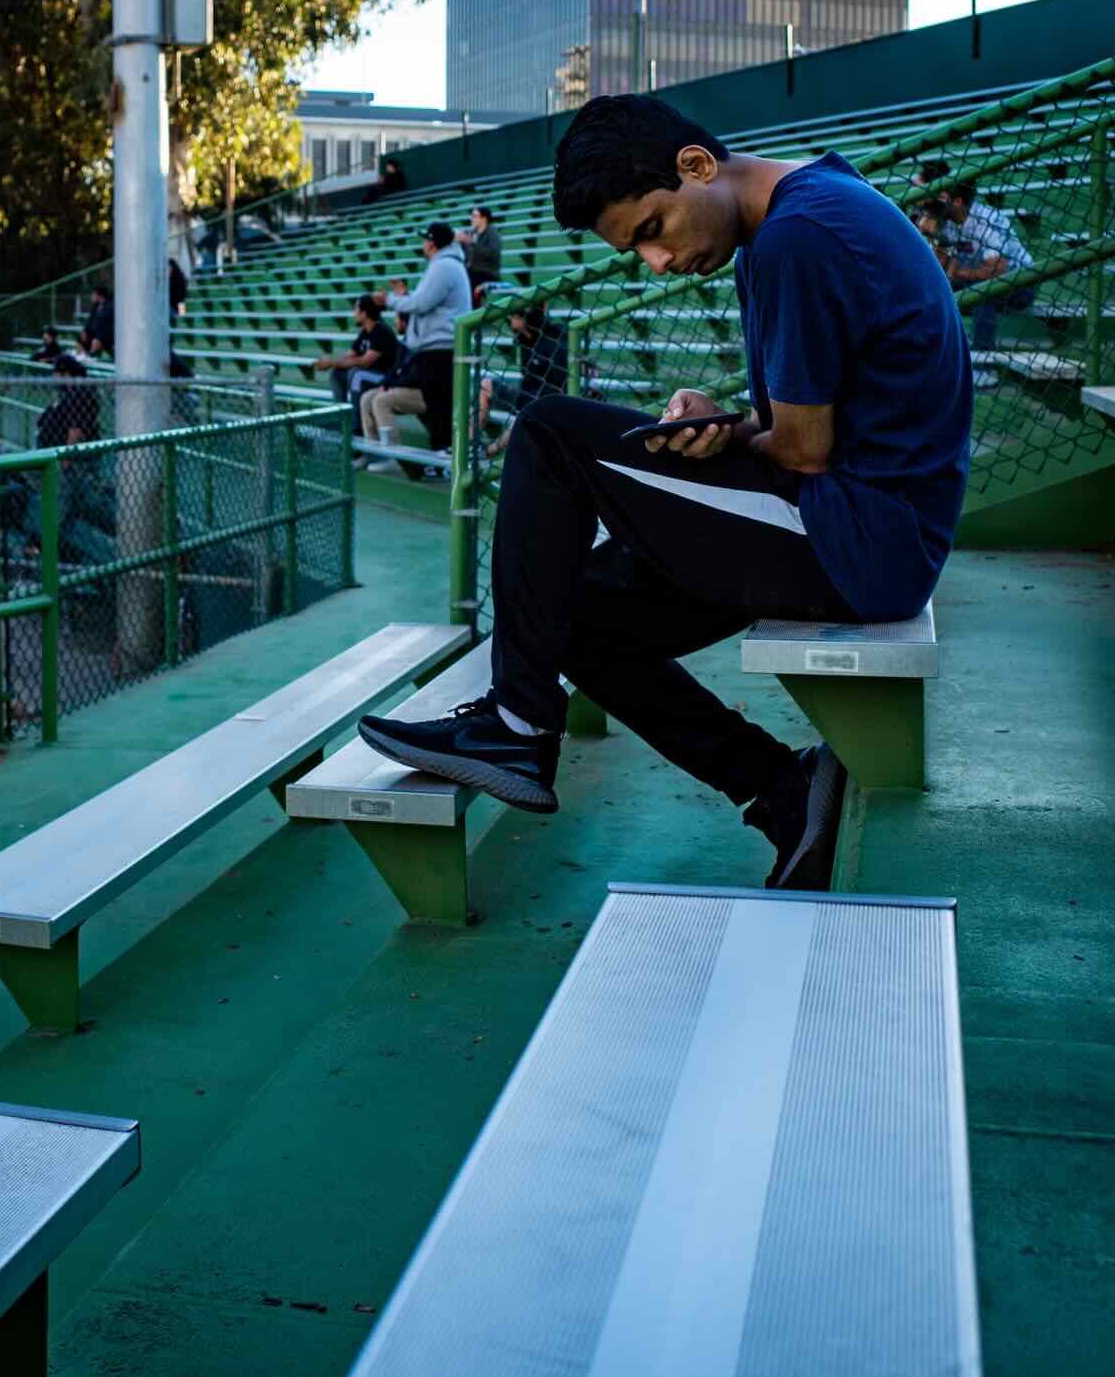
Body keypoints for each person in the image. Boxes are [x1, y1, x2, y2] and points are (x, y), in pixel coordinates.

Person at [358, 94, 973, 894]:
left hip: (857, 539)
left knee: (546, 432)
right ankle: (779, 788)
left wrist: (733, 434)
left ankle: (514, 724)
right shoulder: (804, 212)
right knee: (567, 611)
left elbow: (804, 448)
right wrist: (729, 422)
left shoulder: (796, 236)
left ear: (694, 165)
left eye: (650, 230)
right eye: (634, 251)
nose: (655, 261)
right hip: (862, 524)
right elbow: (813, 417)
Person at [361, 223, 472, 469]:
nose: (423, 244)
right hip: (436, 347)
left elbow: (420, 303)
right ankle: (439, 458)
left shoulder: (444, 266)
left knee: (438, 407)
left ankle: (443, 459)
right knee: (435, 406)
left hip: (441, 348)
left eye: (426, 240)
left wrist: (390, 300)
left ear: (432, 243)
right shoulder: (444, 264)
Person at [934, 174, 1035, 358]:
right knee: (934, 292)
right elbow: (941, 264)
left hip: (1019, 283)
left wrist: (956, 272)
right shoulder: (948, 222)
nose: (938, 203)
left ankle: (984, 360)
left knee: (982, 295)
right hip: (973, 280)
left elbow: (998, 269)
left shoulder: (986, 219)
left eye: (942, 199)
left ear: (957, 201)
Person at [478, 299, 567, 457]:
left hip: (545, 399)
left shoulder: (553, 336)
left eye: (515, 315)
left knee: (527, 413)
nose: (510, 319)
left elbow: (561, 381)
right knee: (486, 384)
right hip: (525, 394)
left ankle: (487, 453)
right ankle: (473, 445)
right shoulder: (524, 339)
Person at [309, 293, 399, 437]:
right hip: (367, 376)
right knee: (337, 373)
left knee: (356, 374)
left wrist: (332, 361)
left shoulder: (381, 330)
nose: (354, 314)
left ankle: (356, 428)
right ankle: (341, 418)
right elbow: (349, 356)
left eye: (356, 310)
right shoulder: (364, 332)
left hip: (385, 378)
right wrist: (329, 362)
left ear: (364, 313)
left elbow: (365, 361)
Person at [458, 205, 503, 300]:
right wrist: (460, 242)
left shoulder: (492, 232)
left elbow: (492, 253)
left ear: (484, 218)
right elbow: (466, 255)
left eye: (475, 216)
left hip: (488, 273)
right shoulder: (473, 233)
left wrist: (471, 243)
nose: (471, 219)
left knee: (468, 277)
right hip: (473, 272)